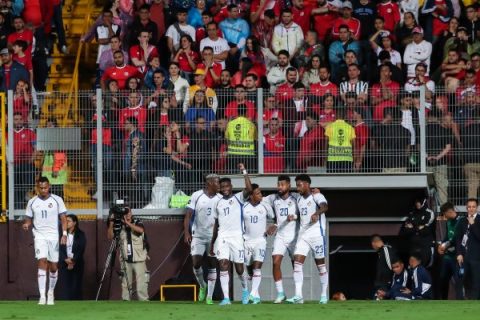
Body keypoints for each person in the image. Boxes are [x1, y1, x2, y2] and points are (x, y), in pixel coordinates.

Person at [210, 165, 252, 305]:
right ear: (220, 188)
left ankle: (245, 290)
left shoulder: (239, 198)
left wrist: (244, 172)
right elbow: (216, 224)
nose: (225, 188)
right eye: (222, 187)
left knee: (239, 268)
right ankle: (226, 298)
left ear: (231, 186)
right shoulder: (218, 203)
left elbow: (250, 189)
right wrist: (212, 242)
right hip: (222, 237)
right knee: (223, 264)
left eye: (227, 186)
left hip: (237, 237)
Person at [22, 177, 68, 305]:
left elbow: (64, 219)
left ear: (49, 187)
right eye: (40, 188)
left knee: (53, 267)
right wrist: (27, 224)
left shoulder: (57, 200)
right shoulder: (32, 202)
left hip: (53, 236)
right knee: (42, 260)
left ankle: (50, 292)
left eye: (45, 188)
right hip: (39, 235)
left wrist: (64, 234)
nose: (43, 190)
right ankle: (42, 296)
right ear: (37, 187)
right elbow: (29, 219)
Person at [287, 174, 329, 304]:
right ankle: (298, 295)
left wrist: (317, 213)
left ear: (307, 184)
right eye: (297, 185)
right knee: (297, 263)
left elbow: (325, 206)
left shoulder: (316, 195)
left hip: (317, 234)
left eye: (299, 184)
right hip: (303, 234)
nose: (297, 187)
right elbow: (301, 215)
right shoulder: (299, 199)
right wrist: (293, 217)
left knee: (320, 265)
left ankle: (323, 295)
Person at [184, 174, 223, 304]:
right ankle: (202, 285)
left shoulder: (220, 198)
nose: (219, 185)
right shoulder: (197, 195)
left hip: (213, 237)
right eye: (217, 182)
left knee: (212, 264)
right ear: (209, 183)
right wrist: (186, 233)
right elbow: (188, 215)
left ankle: (209, 297)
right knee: (196, 263)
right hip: (198, 235)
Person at [264, 175, 300, 303]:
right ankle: (281, 293)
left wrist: (294, 216)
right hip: (280, 236)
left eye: (282, 184)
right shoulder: (273, 198)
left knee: (296, 265)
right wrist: (272, 223)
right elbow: (257, 199)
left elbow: (307, 206)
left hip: (294, 236)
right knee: (275, 262)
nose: (280, 187)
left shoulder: (296, 197)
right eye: (278, 184)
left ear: (289, 186)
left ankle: (298, 294)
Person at [107, 206, 149, 301]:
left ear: (132, 213)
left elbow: (140, 230)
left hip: (138, 259)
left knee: (141, 284)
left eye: (129, 212)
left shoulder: (138, 222)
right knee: (125, 284)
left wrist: (127, 223)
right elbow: (110, 237)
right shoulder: (118, 224)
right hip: (125, 259)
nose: (127, 214)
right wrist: (111, 223)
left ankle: (144, 302)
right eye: (125, 212)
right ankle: (126, 302)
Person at [242, 183, 275, 304]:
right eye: (258, 193)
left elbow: (275, 218)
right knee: (250, 271)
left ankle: (251, 294)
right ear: (251, 196)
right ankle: (256, 296)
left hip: (261, 241)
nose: (261, 195)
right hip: (246, 242)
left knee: (257, 268)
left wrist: (273, 226)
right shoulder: (243, 207)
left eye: (260, 192)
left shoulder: (265, 206)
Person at [400, 197, 435, 267]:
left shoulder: (429, 213)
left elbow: (426, 230)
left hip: (425, 246)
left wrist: (413, 227)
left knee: (424, 267)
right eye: (416, 202)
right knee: (413, 267)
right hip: (413, 247)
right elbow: (404, 231)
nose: (417, 204)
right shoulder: (412, 214)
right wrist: (419, 227)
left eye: (419, 202)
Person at [455, 198, 480, 300]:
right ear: (466, 208)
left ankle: (475, 304)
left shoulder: (479, 220)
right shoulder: (461, 221)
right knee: (460, 280)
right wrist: (459, 253)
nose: (471, 209)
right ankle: (460, 302)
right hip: (464, 256)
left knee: (476, 282)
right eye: (469, 207)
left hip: (476, 257)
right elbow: (458, 239)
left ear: (477, 208)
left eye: (473, 206)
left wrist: (473, 224)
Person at [438, 202, 463, 300]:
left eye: (445, 214)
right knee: (443, 279)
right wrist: (440, 246)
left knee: (458, 281)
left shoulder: (461, 221)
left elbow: (457, 239)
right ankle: (443, 301)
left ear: (449, 212)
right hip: (447, 257)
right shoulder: (448, 222)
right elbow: (447, 236)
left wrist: (447, 245)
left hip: (457, 257)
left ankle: (460, 302)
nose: (444, 216)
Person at [59, 214, 86, 300]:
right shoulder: (62, 234)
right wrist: (65, 259)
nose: (66, 223)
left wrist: (73, 261)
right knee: (65, 286)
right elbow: (59, 248)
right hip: (64, 263)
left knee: (76, 285)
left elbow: (81, 248)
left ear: (74, 223)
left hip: (77, 264)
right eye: (65, 221)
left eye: (69, 221)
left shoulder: (81, 234)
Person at [325, 107, 356, 173]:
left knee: (333, 179)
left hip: (333, 158)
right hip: (347, 158)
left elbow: (326, 142)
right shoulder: (350, 127)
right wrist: (354, 158)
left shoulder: (330, 126)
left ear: (336, 115)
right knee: (346, 180)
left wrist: (325, 157)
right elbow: (353, 144)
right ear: (345, 116)